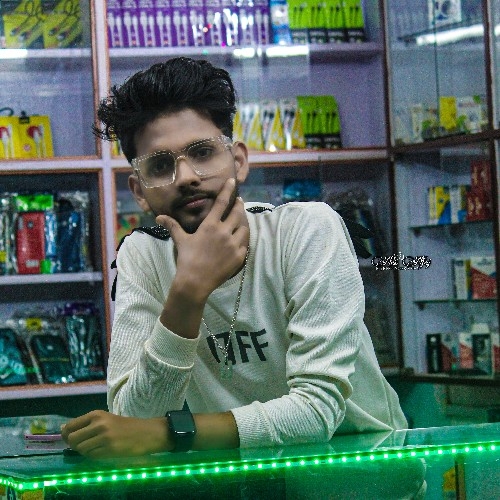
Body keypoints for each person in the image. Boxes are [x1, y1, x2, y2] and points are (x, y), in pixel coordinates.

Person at [61, 57, 407, 458]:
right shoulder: (142, 255)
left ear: (238, 161)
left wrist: (171, 434)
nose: (187, 177)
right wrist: (188, 293)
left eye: (202, 152)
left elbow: (317, 411)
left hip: (367, 473)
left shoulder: (307, 229)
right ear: (139, 191)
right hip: (248, 480)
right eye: (160, 165)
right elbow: (132, 418)